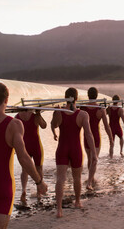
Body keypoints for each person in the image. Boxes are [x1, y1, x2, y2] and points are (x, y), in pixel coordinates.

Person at [0, 83, 47, 229]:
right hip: (3, 184)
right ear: (6, 100)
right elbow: (23, 157)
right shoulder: (14, 125)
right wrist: (39, 182)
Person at [51, 87, 97, 218]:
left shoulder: (59, 112)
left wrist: (55, 114)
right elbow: (89, 135)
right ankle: (77, 202)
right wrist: (93, 153)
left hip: (62, 148)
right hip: (75, 148)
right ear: (77, 98)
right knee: (77, 177)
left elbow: (53, 126)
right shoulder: (83, 114)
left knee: (60, 179)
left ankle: (59, 209)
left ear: (66, 97)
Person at [81, 87, 114, 190]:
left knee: (90, 159)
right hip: (95, 136)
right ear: (97, 95)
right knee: (94, 160)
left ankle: (91, 178)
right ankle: (90, 182)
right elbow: (106, 126)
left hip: (86, 136)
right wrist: (111, 139)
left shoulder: (83, 107)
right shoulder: (100, 109)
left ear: (88, 95)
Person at [15, 110, 47, 205]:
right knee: (39, 167)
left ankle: (23, 191)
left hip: (24, 146)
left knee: (25, 169)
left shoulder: (17, 116)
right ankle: (39, 192)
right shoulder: (34, 116)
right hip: (36, 145)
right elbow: (44, 126)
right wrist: (38, 114)